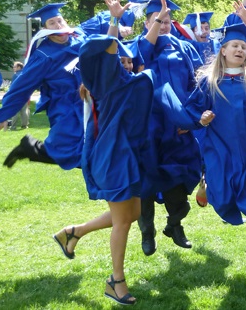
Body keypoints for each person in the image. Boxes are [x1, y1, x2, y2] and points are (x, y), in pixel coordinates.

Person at [53, 35, 154, 306]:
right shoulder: (107, 84)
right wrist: (113, 21)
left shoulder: (124, 83)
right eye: (120, 61)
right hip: (112, 158)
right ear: (105, 66)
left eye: (129, 62)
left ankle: (75, 231)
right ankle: (116, 281)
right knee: (122, 221)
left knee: (133, 213)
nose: (126, 65)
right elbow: (107, 46)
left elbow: (144, 47)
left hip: (126, 156)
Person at [0, 0, 125, 167]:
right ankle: (30, 148)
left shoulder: (79, 36)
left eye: (60, 20)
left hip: (93, 101)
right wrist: (3, 114)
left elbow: (101, 22)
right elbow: (21, 87)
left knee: (101, 149)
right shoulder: (44, 56)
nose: (58, 25)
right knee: (73, 151)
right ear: (45, 29)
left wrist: (123, 16)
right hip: (65, 107)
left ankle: (31, 149)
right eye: (51, 23)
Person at [171, 23, 246, 225]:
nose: (239, 49)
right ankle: (217, 197)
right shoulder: (210, 80)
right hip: (220, 142)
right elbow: (194, 108)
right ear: (223, 50)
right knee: (221, 187)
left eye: (242, 46)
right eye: (234, 45)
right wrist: (201, 118)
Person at [130, 0, 203, 256]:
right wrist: (155, 4)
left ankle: (175, 224)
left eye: (167, 18)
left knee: (182, 177)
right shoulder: (140, 46)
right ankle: (147, 231)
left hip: (178, 126)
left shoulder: (183, 46)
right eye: (157, 19)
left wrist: (191, 117)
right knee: (146, 183)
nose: (163, 23)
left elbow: (196, 85)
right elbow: (140, 56)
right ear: (147, 23)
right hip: (148, 127)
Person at [8, 61, 30, 130]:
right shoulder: (26, 74)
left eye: (14, 67)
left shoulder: (16, 75)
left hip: (16, 95)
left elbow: (13, 86)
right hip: (25, 94)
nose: (13, 68)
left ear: (19, 67)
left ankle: (13, 126)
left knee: (14, 111)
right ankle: (24, 126)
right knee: (24, 111)